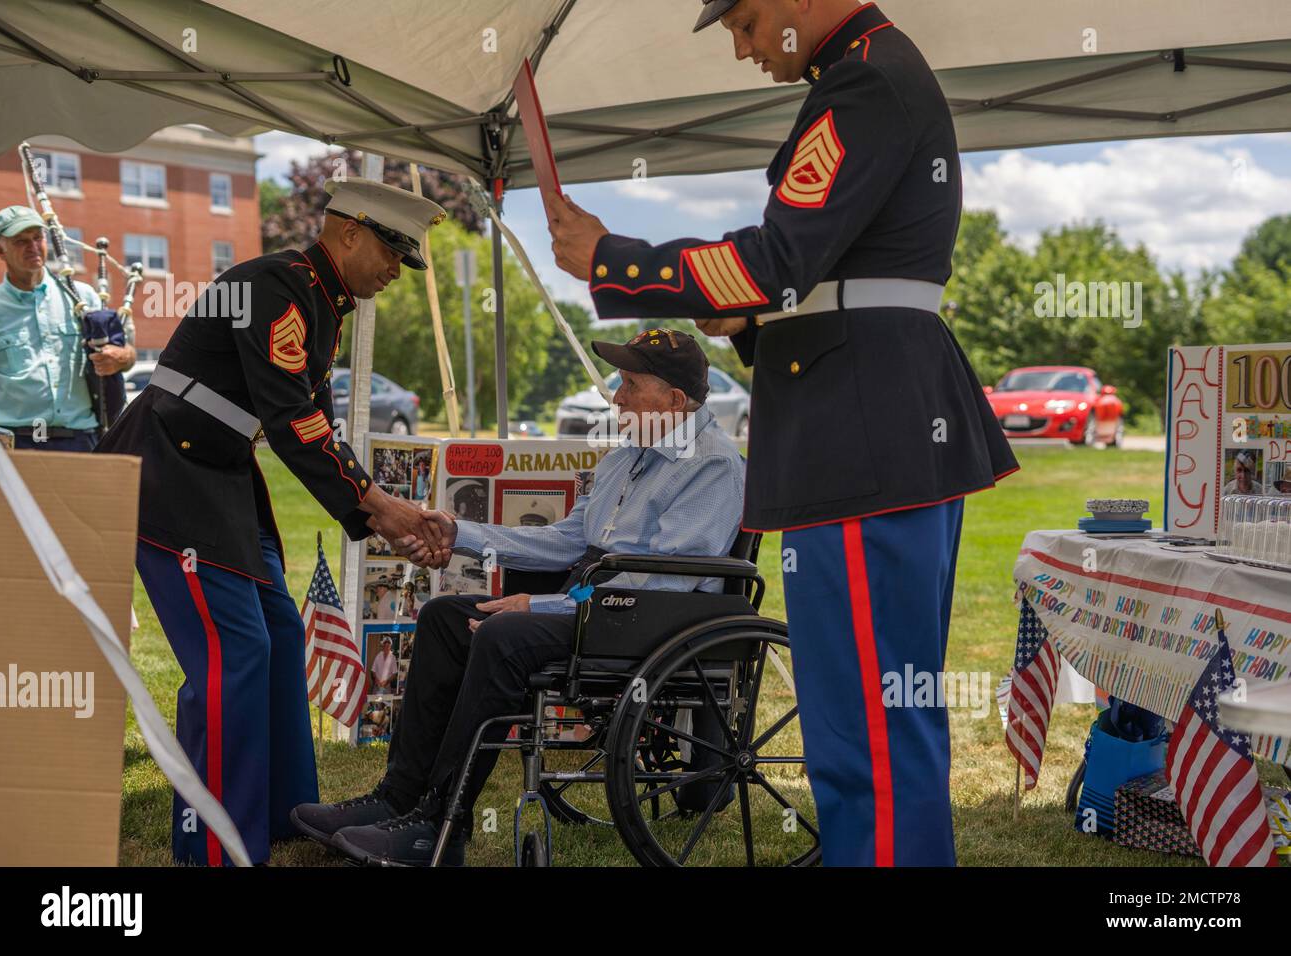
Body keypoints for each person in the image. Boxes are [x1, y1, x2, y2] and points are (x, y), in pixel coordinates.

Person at [546, 0, 1019, 866]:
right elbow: (823, 272)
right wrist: (752, 326)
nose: (744, 46)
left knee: (870, 728)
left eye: (748, 20)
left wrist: (616, 259)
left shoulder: (865, 80)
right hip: (861, 422)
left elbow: (775, 258)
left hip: (860, 434)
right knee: (858, 721)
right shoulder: (861, 73)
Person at [291, 329, 746, 866]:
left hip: (643, 619)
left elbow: (660, 584)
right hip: (598, 605)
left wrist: (543, 606)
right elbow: (565, 542)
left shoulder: (713, 465)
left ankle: (440, 826)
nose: (616, 397)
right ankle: (398, 797)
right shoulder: (628, 457)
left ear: (674, 401)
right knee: (442, 618)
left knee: (507, 635)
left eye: (629, 384)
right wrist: (460, 532)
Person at [97, 178, 449, 866]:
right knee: (235, 655)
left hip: (217, 471)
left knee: (282, 634)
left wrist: (378, 516)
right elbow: (295, 421)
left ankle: (285, 815)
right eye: (388, 250)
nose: (393, 270)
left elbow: (305, 422)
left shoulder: (321, 300)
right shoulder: (278, 286)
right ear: (348, 231)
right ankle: (217, 844)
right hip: (170, 471)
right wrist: (381, 504)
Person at [0, 205, 135, 450]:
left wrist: (121, 357)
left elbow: (129, 355)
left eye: (38, 237)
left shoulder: (83, 298)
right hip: (12, 445)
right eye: (20, 241)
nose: (33, 247)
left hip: (80, 440)